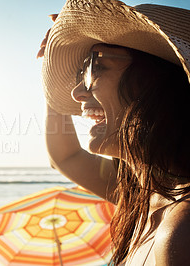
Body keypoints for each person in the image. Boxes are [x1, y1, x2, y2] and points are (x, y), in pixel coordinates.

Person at [37, 0, 190, 265]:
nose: (76, 93)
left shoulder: (180, 232)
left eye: (95, 67)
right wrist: (52, 73)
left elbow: (65, 158)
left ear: (153, 81)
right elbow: (65, 157)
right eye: (80, 73)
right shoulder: (144, 194)